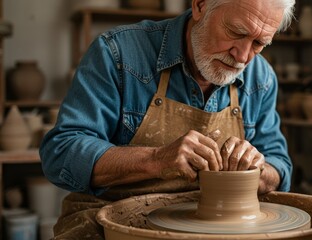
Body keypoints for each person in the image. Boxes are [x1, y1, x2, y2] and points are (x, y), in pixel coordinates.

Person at [39, 0, 296, 238]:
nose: (242, 57)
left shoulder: (261, 77)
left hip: (216, 223)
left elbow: (279, 164)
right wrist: (155, 159)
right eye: (236, 32)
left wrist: (259, 169)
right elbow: (61, 153)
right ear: (200, 5)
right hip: (110, 217)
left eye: (259, 43)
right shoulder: (118, 53)